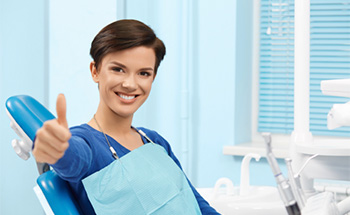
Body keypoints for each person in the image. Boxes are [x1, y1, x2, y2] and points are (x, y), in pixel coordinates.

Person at [33, 19, 220, 215]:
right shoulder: (85, 142)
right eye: (118, 69)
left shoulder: (154, 141)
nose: (130, 84)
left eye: (143, 73)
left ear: (153, 78)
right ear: (95, 71)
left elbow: (194, 202)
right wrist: (58, 150)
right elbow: (73, 159)